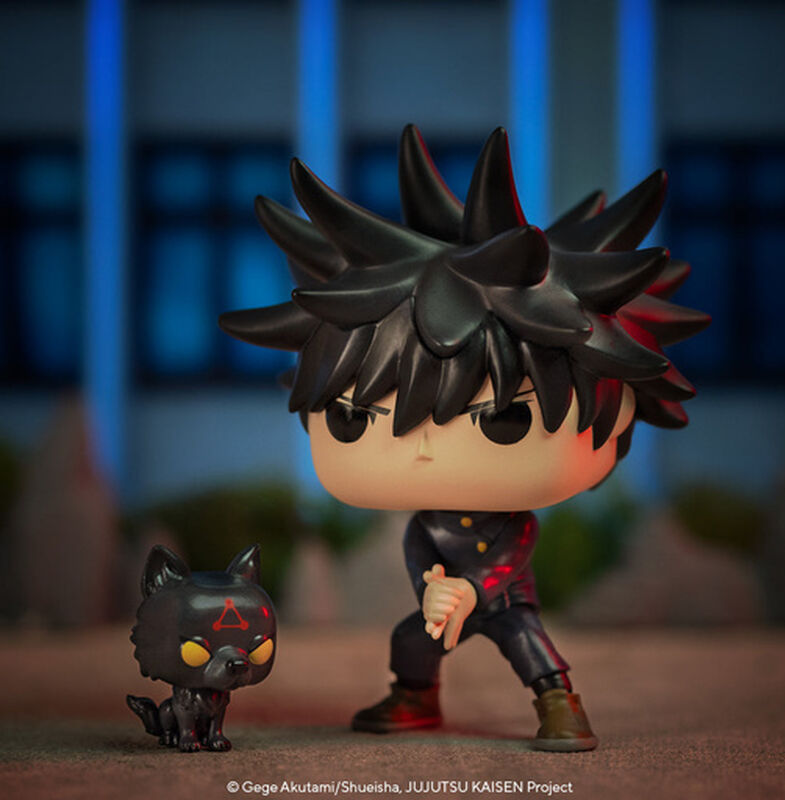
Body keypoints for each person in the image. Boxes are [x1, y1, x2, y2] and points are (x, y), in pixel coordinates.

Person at [219, 125, 709, 751]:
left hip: (503, 600)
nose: (422, 447)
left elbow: (515, 552)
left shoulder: (514, 525)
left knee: (528, 644)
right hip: (440, 599)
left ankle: (559, 703)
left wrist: (472, 589)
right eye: (352, 418)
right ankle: (414, 695)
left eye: (503, 418)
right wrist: (433, 590)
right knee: (410, 640)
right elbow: (420, 549)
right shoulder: (427, 526)